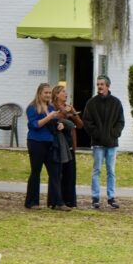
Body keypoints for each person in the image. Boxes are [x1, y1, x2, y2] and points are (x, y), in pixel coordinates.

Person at [83, 75, 125, 209]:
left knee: (111, 171)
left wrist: (114, 133)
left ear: (108, 86)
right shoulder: (91, 103)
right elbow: (87, 122)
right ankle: (95, 198)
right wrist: (98, 134)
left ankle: (111, 197)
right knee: (96, 170)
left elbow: (120, 121)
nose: (99, 86)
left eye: (102, 84)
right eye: (98, 84)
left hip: (112, 143)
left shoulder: (116, 103)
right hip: (97, 144)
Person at [24, 82, 68, 210]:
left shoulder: (50, 108)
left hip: (50, 142)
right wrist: (49, 117)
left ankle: (57, 202)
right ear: (39, 93)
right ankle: (32, 202)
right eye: (46, 93)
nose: (48, 95)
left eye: (49, 93)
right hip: (36, 142)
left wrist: (59, 125)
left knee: (55, 172)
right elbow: (35, 125)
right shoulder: (32, 107)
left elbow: (53, 122)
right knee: (36, 172)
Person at [50, 85, 83, 208]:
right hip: (58, 143)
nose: (66, 94)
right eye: (63, 92)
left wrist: (73, 114)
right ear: (57, 94)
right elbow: (54, 119)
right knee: (59, 173)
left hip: (70, 143)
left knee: (70, 173)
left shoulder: (70, 107)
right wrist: (65, 113)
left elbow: (80, 125)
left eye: (66, 92)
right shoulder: (52, 106)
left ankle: (70, 200)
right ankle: (57, 200)